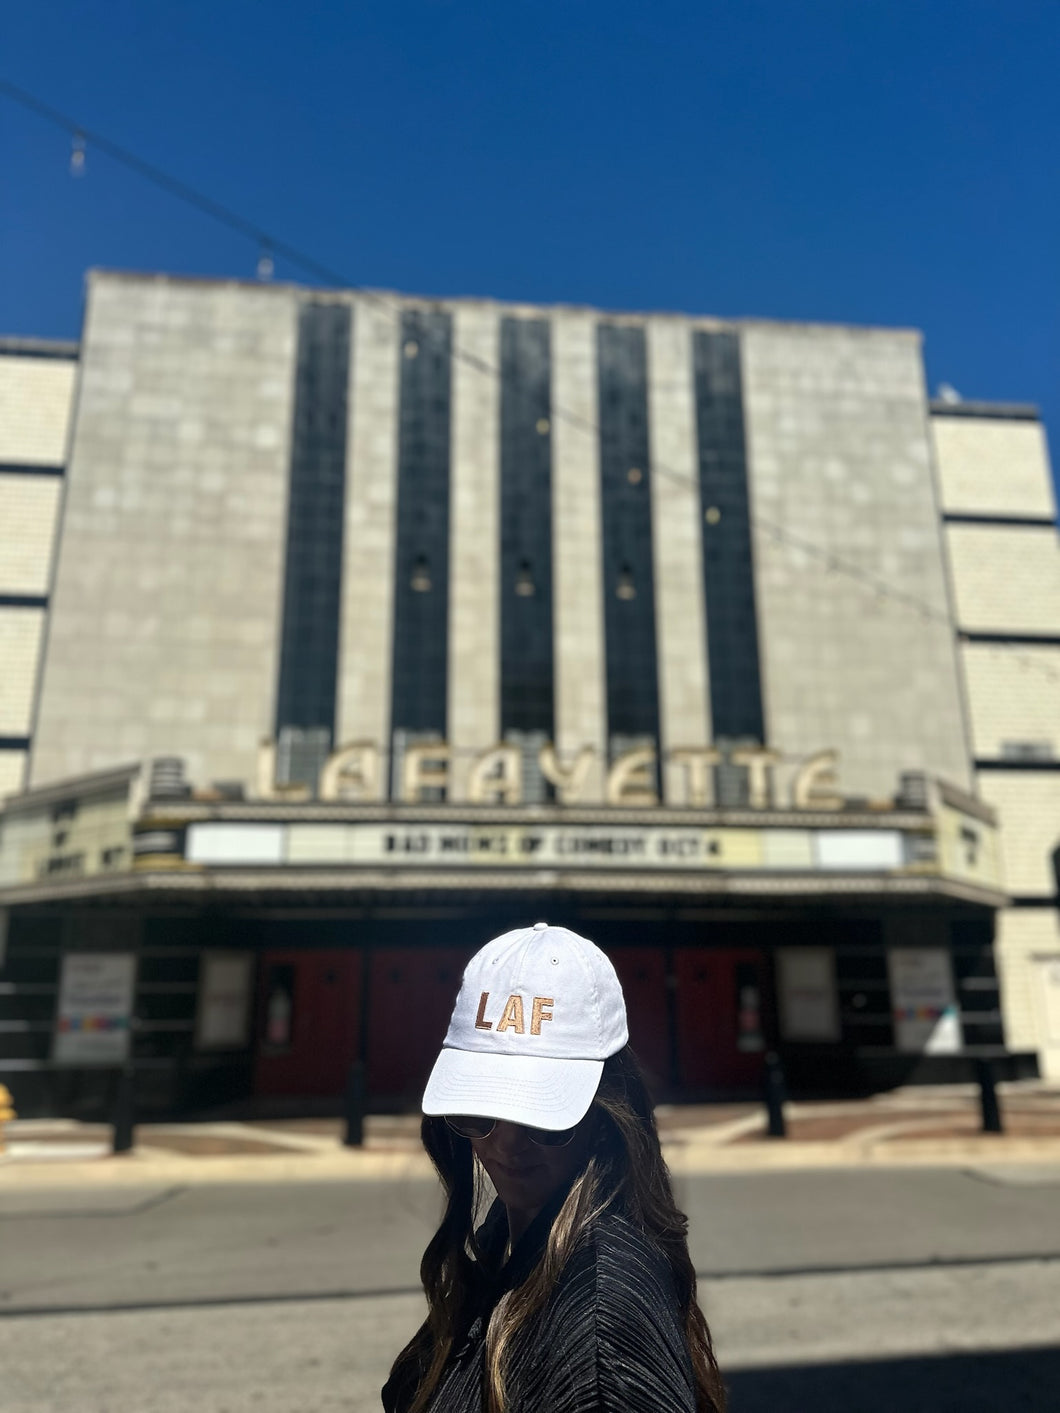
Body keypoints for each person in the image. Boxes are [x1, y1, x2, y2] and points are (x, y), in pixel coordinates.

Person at [382, 921, 727, 1413]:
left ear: (605, 1111)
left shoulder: (601, 1327)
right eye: (478, 1113)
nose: (506, 1144)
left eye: (544, 1120)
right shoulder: (511, 1234)